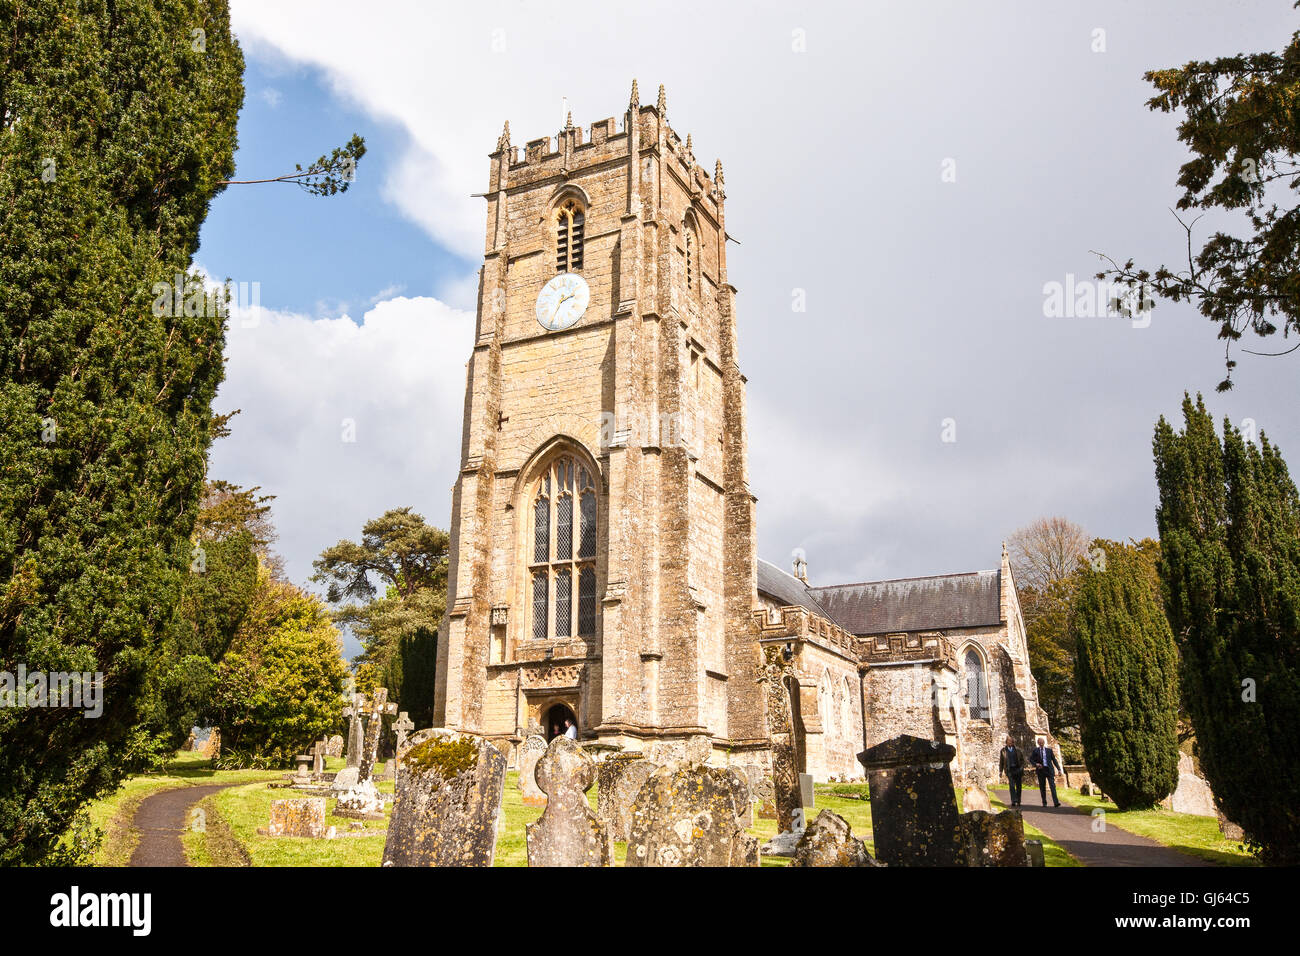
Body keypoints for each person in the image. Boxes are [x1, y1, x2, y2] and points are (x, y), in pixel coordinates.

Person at [1032, 736, 1062, 807]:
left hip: (1049, 770)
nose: (1041, 744)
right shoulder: (1035, 751)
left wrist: (1059, 769)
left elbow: (1054, 760)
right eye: (1040, 743)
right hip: (1041, 771)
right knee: (1042, 787)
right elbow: (1031, 759)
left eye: (1042, 742)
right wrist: (1036, 764)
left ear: (1044, 743)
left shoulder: (1049, 750)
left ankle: (1056, 802)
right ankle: (1044, 802)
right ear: (1038, 743)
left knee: (1052, 787)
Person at [998, 734, 1025, 807]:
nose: (1010, 743)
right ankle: (1013, 800)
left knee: (1019, 786)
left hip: (1018, 769)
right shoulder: (1003, 751)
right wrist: (1000, 771)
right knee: (1012, 786)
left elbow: (1022, 760)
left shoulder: (1018, 750)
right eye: (1008, 742)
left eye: (1011, 742)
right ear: (1006, 743)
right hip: (1009, 770)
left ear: (1013, 742)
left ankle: (1018, 800)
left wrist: (1021, 768)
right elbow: (1001, 761)